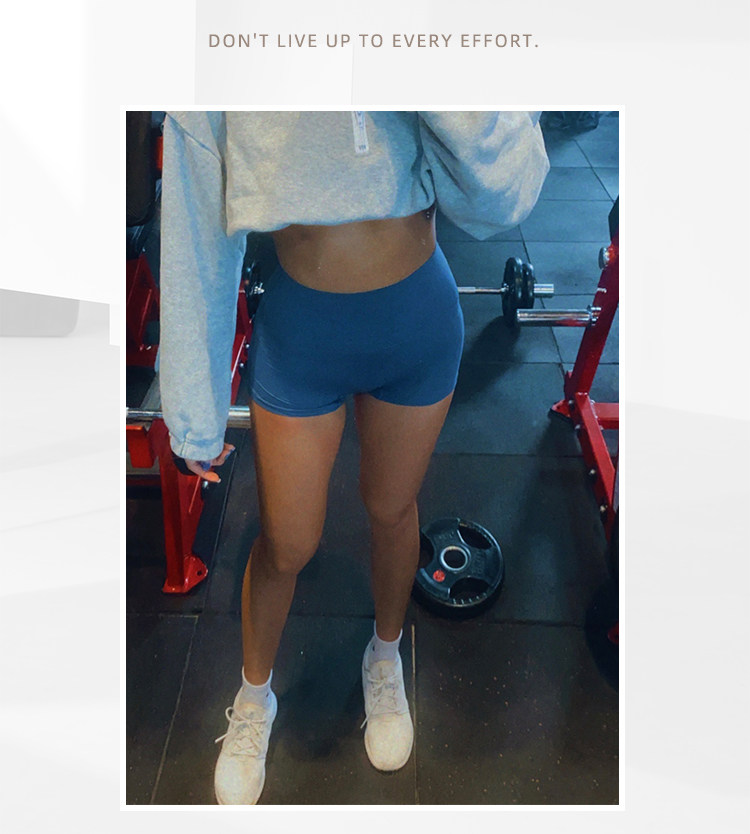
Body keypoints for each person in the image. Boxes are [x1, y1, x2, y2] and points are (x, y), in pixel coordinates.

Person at [158, 111, 549, 804]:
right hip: (303, 332)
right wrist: (194, 404)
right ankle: (253, 698)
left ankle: (385, 656)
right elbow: (194, 217)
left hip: (416, 318)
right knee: (287, 543)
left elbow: (499, 186)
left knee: (392, 510)